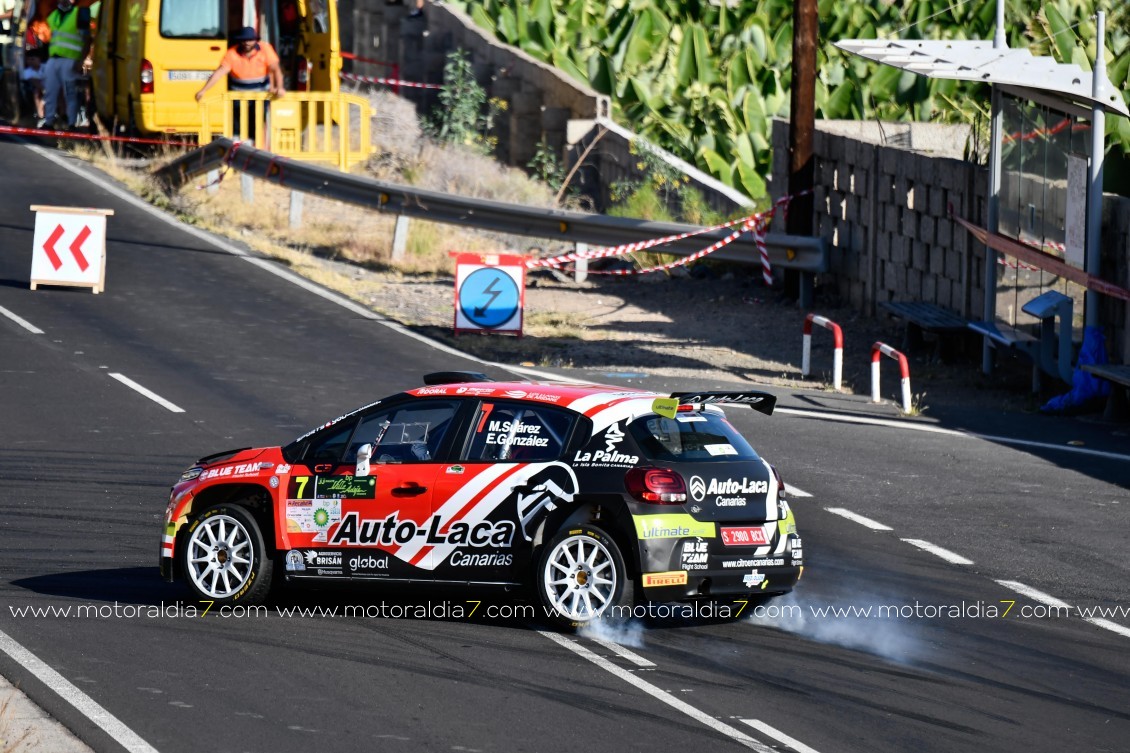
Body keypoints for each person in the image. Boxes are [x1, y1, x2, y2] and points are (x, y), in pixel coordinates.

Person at [195, 26, 285, 142]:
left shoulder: (265, 49)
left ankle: (254, 145)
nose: (247, 43)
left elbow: (276, 70)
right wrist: (204, 90)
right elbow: (219, 72)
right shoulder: (232, 53)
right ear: (240, 40)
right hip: (239, 95)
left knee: (257, 123)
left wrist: (280, 88)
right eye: (244, 40)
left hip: (260, 95)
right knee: (237, 124)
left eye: (250, 40)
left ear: (256, 40)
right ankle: (238, 145)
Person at [40, 0, 92, 129]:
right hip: (53, 60)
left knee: (70, 93)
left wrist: (81, 60)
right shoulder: (53, 15)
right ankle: (49, 121)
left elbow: (87, 39)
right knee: (50, 92)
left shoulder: (80, 13)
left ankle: (71, 123)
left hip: (70, 60)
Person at [21, 50, 46, 122]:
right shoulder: (26, 72)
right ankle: (41, 116)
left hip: (51, 89)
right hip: (39, 91)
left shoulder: (47, 68)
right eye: (28, 59)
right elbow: (34, 82)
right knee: (36, 93)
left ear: (39, 59)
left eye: (32, 59)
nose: (30, 61)